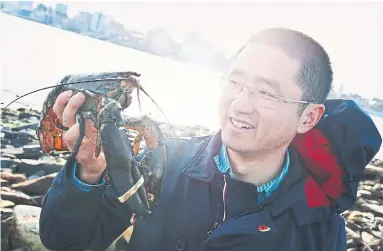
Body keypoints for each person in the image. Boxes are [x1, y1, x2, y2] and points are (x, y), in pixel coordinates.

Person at [39, 28, 382, 251]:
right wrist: (88, 173)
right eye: (235, 82)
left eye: (266, 93)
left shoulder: (320, 230)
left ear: (308, 117)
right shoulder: (163, 159)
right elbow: (65, 242)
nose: (240, 104)